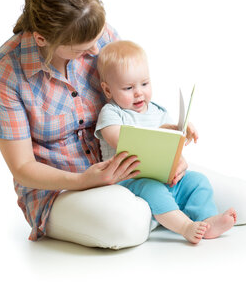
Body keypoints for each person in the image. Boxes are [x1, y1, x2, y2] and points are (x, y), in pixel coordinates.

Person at [0, 0, 246, 249]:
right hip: (63, 189)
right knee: (127, 224)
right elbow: (22, 168)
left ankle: (166, 211)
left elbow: (133, 102)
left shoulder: (95, 31)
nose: (96, 48)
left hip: (133, 169)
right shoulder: (6, 70)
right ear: (42, 39)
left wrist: (168, 156)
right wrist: (84, 179)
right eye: (82, 49)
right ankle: (166, 213)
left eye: (98, 37)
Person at [95, 40, 237, 244]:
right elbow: (120, 139)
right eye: (128, 87)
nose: (138, 92)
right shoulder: (112, 113)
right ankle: (186, 227)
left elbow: (171, 145)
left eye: (144, 84)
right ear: (108, 91)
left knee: (198, 181)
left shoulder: (158, 111)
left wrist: (181, 131)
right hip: (129, 181)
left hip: (164, 176)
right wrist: (163, 132)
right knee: (152, 189)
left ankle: (207, 220)